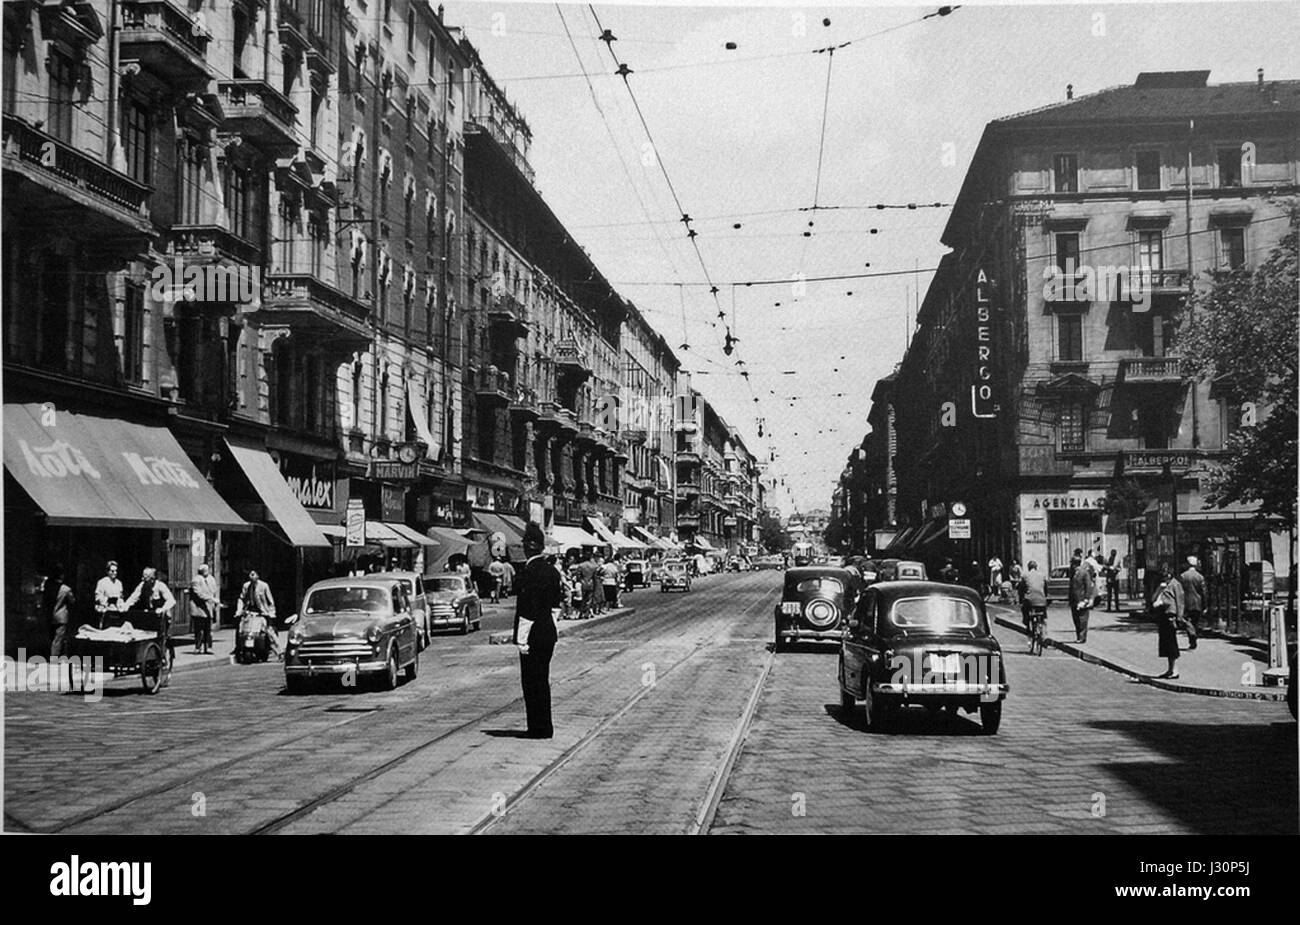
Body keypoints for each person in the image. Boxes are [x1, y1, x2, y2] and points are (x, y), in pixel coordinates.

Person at [514, 522, 562, 738]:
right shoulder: (552, 571)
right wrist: (552, 627)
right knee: (543, 679)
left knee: (531, 682)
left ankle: (536, 727)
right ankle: (545, 726)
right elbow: (555, 606)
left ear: (528, 547)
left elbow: (527, 609)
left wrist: (521, 640)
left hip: (532, 634)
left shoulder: (529, 571)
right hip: (548, 631)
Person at [235, 570, 279, 659]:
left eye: (254, 579)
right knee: (240, 628)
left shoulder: (264, 586)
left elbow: (270, 601)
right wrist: (239, 611)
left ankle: (279, 651)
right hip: (249, 612)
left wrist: (271, 613)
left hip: (262, 613)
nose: (252, 582)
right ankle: (238, 648)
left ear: (258, 577)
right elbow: (241, 599)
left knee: (269, 631)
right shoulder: (246, 586)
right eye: (251, 580)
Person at [1152, 565, 1185, 678]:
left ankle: (1175, 670)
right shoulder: (1163, 585)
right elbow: (1153, 599)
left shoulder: (1175, 584)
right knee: (1165, 644)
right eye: (1163, 575)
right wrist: (1159, 589)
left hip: (1171, 615)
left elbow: (1180, 602)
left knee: (1171, 643)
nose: (1165, 577)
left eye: (1166, 574)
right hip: (1162, 615)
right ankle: (1170, 669)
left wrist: (1179, 617)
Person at [43, 566, 75, 661]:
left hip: (51, 615)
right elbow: (72, 601)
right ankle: (54, 658)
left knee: (51, 637)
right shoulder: (66, 589)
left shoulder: (49, 587)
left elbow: (45, 600)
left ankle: (52, 655)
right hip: (61, 617)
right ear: (62, 576)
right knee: (58, 638)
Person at [187, 563, 218, 654]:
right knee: (199, 629)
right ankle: (198, 647)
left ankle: (208, 647)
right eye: (203, 570)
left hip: (209, 608)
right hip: (199, 608)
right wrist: (211, 599)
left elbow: (214, 591)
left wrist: (214, 604)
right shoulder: (196, 580)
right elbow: (199, 594)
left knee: (208, 629)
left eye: (206, 570)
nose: (205, 571)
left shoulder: (211, 579)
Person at [1068, 551, 1096, 644]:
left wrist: (1086, 599)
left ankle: (1082, 638)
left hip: (1082, 599)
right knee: (1076, 619)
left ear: (1075, 564)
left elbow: (1088, 586)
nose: (1071, 565)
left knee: (1083, 620)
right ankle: (1078, 636)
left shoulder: (1084, 573)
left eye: (1072, 563)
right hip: (1074, 600)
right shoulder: (1072, 573)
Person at [1179, 556, 1205, 650]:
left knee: (1187, 621)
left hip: (1186, 602)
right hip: (1197, 602)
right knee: (1195, 622)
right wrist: (1204, 603)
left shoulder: (1183, 576)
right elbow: (1203, 591)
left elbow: (1180, 591)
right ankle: (1193, 640)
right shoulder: (1200, 577)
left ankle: (1192, 636)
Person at [1019, 560, 1048, 637]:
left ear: (1028, 568)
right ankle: (1043, 627)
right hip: (1042, 600)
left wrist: (1020, 599)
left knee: (1025, 610)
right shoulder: (1042, 575)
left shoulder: (1025, 575)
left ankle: (1027, 626)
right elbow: (1045, 588)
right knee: (1043, 613)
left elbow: (1021, 589)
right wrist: (1045, 597)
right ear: (1036, 567)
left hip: (1030, 600)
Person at [93, 560, 123, 629]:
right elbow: (98, 597)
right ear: (108, 571)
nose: (114, 573)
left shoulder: (119, 583)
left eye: (116, 571)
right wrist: (107, 600)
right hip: (105, 611)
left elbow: (121, 597)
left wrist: (120, 606)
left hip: (116, 611)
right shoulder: (102, 582)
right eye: (112, 571)